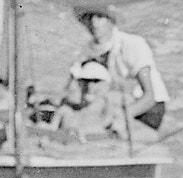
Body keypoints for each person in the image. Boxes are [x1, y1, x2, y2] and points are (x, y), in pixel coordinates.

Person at [69, 8, 167, 139]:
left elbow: (149, 97)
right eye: (89, 17)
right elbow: (72, 90)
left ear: (111, 20)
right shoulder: (87, 51)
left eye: (99, 16)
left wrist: (120, 115)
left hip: (146, 109)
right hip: (113, 105)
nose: (94, 23)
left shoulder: (132, 44)